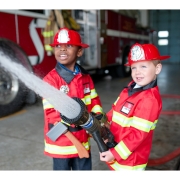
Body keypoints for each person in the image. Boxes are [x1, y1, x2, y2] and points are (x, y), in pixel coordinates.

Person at [99, 43, 170, 170]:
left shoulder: (149, 100)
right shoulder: (129, 90)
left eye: (143, 66)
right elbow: (114, 112)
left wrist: (114, 153)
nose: (138, 72)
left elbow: (138, 135)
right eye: (133, 68)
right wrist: (103, 123)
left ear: (157, 69)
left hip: (130, 162)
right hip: (116, 152)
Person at [42, 27, 104, 170]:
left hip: (83, 140)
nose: (62, 50)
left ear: (79, 52)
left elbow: (94, 100)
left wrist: (98, 118)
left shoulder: (85, 77)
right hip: (61, 145)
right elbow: (51, 114)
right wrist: (76, 123)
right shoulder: (50, 80)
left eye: (68, 46)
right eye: (58, 46)